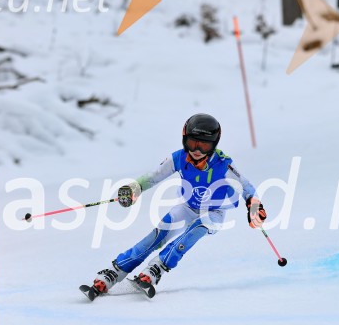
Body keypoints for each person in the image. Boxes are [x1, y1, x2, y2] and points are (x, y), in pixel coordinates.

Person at [86, 113, 266, 299]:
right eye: (192, 142)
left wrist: (254, 208)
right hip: (188, 207)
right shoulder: (179, 158)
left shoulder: (223, 165)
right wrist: (135, 188)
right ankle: (114, 272)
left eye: (203, 145)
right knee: (156, 236)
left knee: (198, 229)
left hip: (214, 211)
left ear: (214, 144)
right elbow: (153, 176)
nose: (196, 150)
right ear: (184, 139)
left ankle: (157, 268)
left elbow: (247, 187)